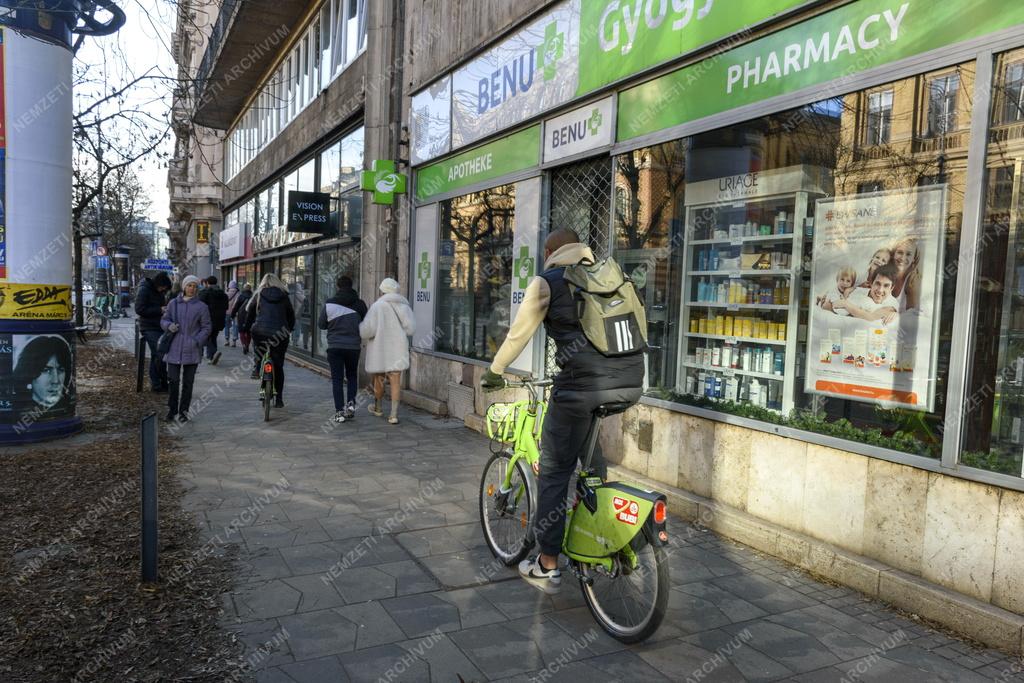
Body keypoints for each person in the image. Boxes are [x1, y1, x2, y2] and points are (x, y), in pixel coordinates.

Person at [481, 228, 645, 594]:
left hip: (581, 386)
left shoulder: (550, 281)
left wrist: (494, 371)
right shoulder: (611, 275)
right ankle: (597, 525)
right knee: (590, 459)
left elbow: (518, 334)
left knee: (554, 471)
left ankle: (548, 564)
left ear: (550, 251)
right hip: (631, 380)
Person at [359, 277, 415, 425]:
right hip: (398, 350)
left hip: (380, 350)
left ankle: (378, 408)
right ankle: (394, 415)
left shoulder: (377, 306)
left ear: (382, 290)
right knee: (396, 381)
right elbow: (411, 329)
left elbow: (366, 331)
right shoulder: (404, 306)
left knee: (379, 379)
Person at [160, 275, 212, 422]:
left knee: (188, 383)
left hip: (192, 349)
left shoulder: (202, 307)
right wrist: (168, 326)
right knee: (173, 381)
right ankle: (171, 410)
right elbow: (164, 319)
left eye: (195, 286)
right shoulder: (173, 304)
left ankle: (184, 412)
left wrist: (197, 341)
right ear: (184, 287)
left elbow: (207, 327)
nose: (192, 289)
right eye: (189, 285)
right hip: (173, 347)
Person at [319, 275, 367, 422]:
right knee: (352, 376)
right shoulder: (360, 304)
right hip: (353, 347)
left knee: (337, 379)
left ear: (338, 287)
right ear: (351, 286)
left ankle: (339, 412)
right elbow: (366, 324)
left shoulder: (329, 304)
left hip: (335, 347)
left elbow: (321, 325)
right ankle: (351, 407)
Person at [243, 273, 295, 407]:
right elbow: (291, 316)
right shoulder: (284, 296)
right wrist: (289, 329)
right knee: (278, 366)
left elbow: (250, 314)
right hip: (280, 333)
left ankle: (258, 365)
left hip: (260, 331)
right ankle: (279, 399)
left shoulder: (259, 294)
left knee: (259, 349)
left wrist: (246, 328)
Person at [14, 335, 74, 416]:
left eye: (60, 370)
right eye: (46, 370)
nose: (55, 380)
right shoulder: (16, 411)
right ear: (29, 372)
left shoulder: (68, 407)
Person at [135, 271, 173, 392]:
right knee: (158, 353)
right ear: (158, 284)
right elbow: (139, 309)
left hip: (158, 325)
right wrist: (159, 310)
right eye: (163, 288)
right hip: (148, 327)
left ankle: (161, 381)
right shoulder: (144, 290)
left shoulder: (158, 291)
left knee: (159, 354)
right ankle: (157, 383)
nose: (163, 290)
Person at [832, 263, 900, 324]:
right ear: (871, 283)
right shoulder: (858, 292)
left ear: (892, 288)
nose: (880, 290)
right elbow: (838, 305)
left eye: (886, 286)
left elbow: (871, 317)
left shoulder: (892, 304)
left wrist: (846, 304)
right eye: (877, 283)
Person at [198, 276, 229, 365]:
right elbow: (226, 307)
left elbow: (200, 305)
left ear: (207, 283)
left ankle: (213, 354)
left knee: (207, 337)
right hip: (219, 320)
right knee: (213, 337)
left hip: (207, 319)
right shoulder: (223, 294)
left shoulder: (205, 293)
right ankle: (211, 356)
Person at [890, 237, 922, 312]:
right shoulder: (886, 273)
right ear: (893, 254)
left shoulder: (913, 280)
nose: (903, 258)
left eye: (908, 254)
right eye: (900, 252)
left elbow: (911, 314)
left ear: (914, 258)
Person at [233, 283, 254, 354]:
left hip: (241, 316)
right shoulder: (253, 296)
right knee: (248, 331)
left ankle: (244, 344)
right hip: (251, 315)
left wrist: (232, 314)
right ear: (250, 289)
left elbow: (236, 306)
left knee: (242, 331)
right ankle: (247, 344)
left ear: (244, 288)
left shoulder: (241, 296)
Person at [224, 280, 240, 347]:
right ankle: (234, 341)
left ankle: (227, 340)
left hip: (227, 312)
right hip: (235, 313)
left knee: (226, 326)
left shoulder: (226, 294)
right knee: (235, 326)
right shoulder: (238, 294)